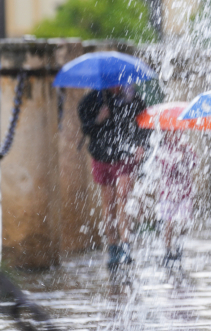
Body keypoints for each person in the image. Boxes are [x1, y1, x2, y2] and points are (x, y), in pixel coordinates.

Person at [78, 84, 148, 269]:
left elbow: (144, 123)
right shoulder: (91, 100)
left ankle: (126, 244)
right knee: (108, 205)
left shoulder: (133, 98)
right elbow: (86, 129)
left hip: (125, 155)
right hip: (102, 156)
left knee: (123, 198)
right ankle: (113, 247)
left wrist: (141, 144)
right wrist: (98, 119)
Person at [153, 131, 198, 265]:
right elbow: (166, 168)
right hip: (168, 193)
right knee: (169, 222)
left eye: (177, 133)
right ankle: (168, 251)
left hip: (185, 192)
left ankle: (179, 247)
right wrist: (178, 159)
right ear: (166, 135)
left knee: (184, 221)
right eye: (171, 134)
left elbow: (194, 163)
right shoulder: (162, 150)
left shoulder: (186, 147)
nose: (175, 136)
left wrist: (186, 156)